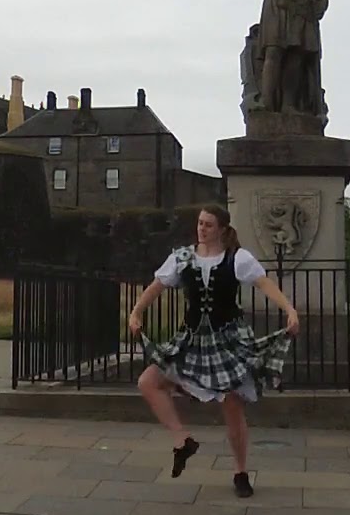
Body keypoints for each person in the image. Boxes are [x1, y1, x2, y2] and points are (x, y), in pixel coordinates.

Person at [128, 204, 300, 498]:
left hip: (228, 340)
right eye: (199, 223)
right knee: (148, 382)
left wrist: (289, 310)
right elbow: (157, 285)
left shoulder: (237, 258)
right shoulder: (182, 258)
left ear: (221, 228)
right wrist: (136, 312)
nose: (201, 229)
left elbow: (264, 283)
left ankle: (240, 472)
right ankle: (183, 440)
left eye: (208, 224)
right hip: (192, 340)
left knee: (232, 406)